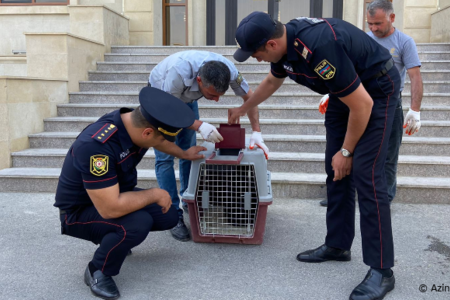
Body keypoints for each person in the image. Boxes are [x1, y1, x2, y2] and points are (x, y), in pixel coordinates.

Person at [229, 12, 400, 300]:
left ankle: (382, 271)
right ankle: (337, 244)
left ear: (271, 44)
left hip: (376, 91)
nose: (256, 59)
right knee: (335, 171)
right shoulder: (284, 48)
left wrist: (346, 151)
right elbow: (273, 81)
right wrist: (244, 108)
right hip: (343, 93)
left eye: (256, 53)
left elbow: (362, 105)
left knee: (366, 176)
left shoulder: (320, 48)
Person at [54, 87, 206, 299]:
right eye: (157, 139)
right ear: (147, 133)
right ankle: (97, 270)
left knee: (169, 215)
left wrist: (184, 154)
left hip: (112, 193)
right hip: (80, 211)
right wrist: (153, 194)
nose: (160, 144)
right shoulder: (97, 146)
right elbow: (110, 208)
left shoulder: (135, 123)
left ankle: (113, 239)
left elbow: (160, 139)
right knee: (137, 224)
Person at [148, 50, 269, 242]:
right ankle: (172, 215)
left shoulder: (229, 70)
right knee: (165, 157)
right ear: (199, 81)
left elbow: (250, 97)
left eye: (220, 95)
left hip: (188, 101)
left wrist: (257, 132)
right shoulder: (177, 73)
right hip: (161, 100)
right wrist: (199, 125)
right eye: (212, 95)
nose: (216, 100)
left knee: (189, 152)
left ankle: (189, 200)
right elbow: (167, 110)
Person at [318, 0, 423, 207]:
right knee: (348, 148)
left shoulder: (404, 42)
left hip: (390, 104)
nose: (374, 29)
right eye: (370, 24)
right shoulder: (363, 39)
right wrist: (333, 94)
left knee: (388, 155)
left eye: (378, 24)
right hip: (359, 102)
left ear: (392, 18)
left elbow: (415, 77)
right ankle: (341, 195)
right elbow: (347, 71)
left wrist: (415, 110)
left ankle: (384, 199)